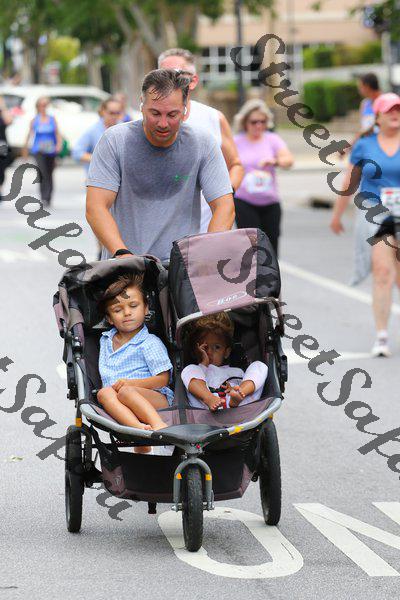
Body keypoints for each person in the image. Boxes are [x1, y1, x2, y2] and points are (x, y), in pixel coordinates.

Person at [86, 69, 234, 262]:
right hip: (128, 262)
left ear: (185, 111)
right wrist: (122, 254)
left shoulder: (202, 143)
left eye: (172, 114)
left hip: (182, 265)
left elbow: (224, 207)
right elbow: (96, 207)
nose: (163, 123)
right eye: (155, 113)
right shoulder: (114, 140)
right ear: (141, 105)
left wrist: (207, 253)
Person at [330, 93, 400, 357]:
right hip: (375, 212)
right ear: (378, 116)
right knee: (382, 271)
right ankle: (382, 336)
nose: (395, 114)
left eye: (398, 109)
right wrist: (337, 215)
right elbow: (350, 182)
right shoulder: (364, 145)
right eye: (390, 110)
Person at [157, 48, 244, 232]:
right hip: (162, 230)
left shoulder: (213, 118)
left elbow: (236, 165)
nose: (170, 80)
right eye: (164, 74)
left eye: (177, 74)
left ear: (193, 81)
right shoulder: (147, 121)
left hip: (208, 226)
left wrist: (225, 195)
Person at [97, 273, 173, 433]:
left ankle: (158, 424)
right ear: (109, 318)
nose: (127, 313)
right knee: (103, 393)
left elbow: (163, 379)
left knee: (125, 391)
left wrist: (132, 384)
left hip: (154, 397)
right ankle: (138, 428)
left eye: (133, 306)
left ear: (145, 309)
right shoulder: (105, 340)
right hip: (118, 401)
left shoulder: (149, 342)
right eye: (118, 309)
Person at [232, 99, 294, 256]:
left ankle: (270, 273)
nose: (258, 125)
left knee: (272, 248)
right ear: (245, 122)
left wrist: (275, 161)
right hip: (244, 201)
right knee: (252, 249)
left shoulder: (272, 139)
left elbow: (288, 160)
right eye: (254, 122)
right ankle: (253, 273)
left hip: (270, 202)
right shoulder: (236, 141)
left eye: (263, 121)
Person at [181, 313, 268, 411]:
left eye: (216, 347)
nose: (209, 352)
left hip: (240, 403)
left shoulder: (236, 371)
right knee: (189, 369)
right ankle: (208, 398)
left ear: (226, 352)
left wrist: (238, 390)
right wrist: (203, 364)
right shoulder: (199, 370)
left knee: (259, 366)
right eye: (205, 347)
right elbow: (194, 374)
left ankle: (240, 393)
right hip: (206, 407)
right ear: (197, 350)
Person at [22, 96, 62, 206]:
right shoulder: (35, 120)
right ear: (38, 107)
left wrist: (59, 145)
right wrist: (25, 151)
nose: (44, 107)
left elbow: (57, 133)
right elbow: (29, 135)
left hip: (51, 150)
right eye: (42, 105)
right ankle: (44, 196)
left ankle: (49, 196)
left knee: (49, 173)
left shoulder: (52, 119)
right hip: (38, 150)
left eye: (46, 105)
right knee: (42, 172)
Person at [72, 97, 123, 171]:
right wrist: (100, 159)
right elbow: (77, 153)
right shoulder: (93, 130)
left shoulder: (124, 129)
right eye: (111, 113)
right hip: (99, 176)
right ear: (103, 111)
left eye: (117, 113)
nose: (114, 116)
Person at [0, 96, 13, 203]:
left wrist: (3, 106)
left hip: (2, 146)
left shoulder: (2, 114)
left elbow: (9, 120)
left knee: (2, 168)